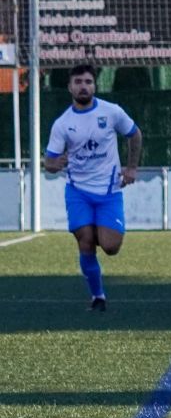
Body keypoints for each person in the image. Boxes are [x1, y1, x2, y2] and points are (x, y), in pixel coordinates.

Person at [44, 63, 142, 311]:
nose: (83, 86)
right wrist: (58, 163)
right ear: (69, 87)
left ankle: (99, 227)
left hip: (109, 191)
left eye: (88, 82)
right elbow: (49, 163)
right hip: (78, 192)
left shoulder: (111, 112)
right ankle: (98, 296)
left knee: (110, 247)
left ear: (95, 85)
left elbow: (135, 134)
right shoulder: (62, 124)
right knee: (85, 241)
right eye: (78, 82)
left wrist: (131, 167)